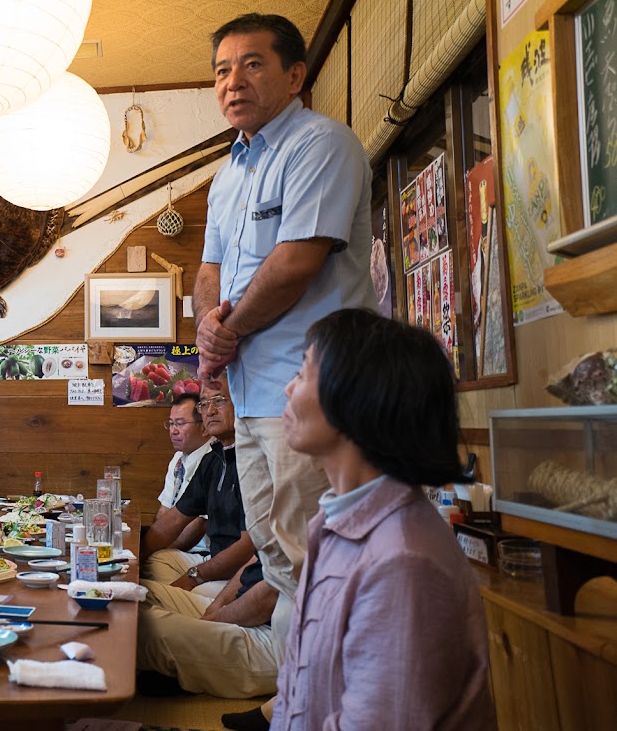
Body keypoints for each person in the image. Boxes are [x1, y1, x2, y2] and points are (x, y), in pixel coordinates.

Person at [194, 13, 375, 608]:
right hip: (248, 397)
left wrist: (225, 334)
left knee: (315, 556)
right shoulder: (227, 176)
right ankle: (286, 696)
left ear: (294, 75)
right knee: (275, 557)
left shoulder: (322, 143)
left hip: (312, 394)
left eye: (252, 65)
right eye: (222, 71)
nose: (233, 82)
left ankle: (311, 700)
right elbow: (209, 271)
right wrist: (206, 328)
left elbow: (297, 262)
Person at [269, 309, 492, 730]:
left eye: (303, 372)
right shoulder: (334, 522)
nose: (288, 387)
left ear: (354, 397)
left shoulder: (402, 562)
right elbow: (293, 691)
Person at [137, 377, 280, 699]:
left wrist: (208, 606)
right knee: (133, 594)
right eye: (205, 404)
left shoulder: (262, 465)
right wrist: (125, 559)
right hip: (238, 596)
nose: (209, 411)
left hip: (275, 639)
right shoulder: (215, 456)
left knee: (138, 625)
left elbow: (265, 585)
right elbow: (258, 560)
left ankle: (185, 672)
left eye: (220, 401)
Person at [146, 391, 213, 579]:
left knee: (149, 568)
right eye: (171, 423)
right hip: (176, 551)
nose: (173, 430)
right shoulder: (178, 458)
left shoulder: (211, 459)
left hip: (200, 553)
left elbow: (199, 526)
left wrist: (157, 551)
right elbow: (164, 512)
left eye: (180, 424)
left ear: (204, 427)